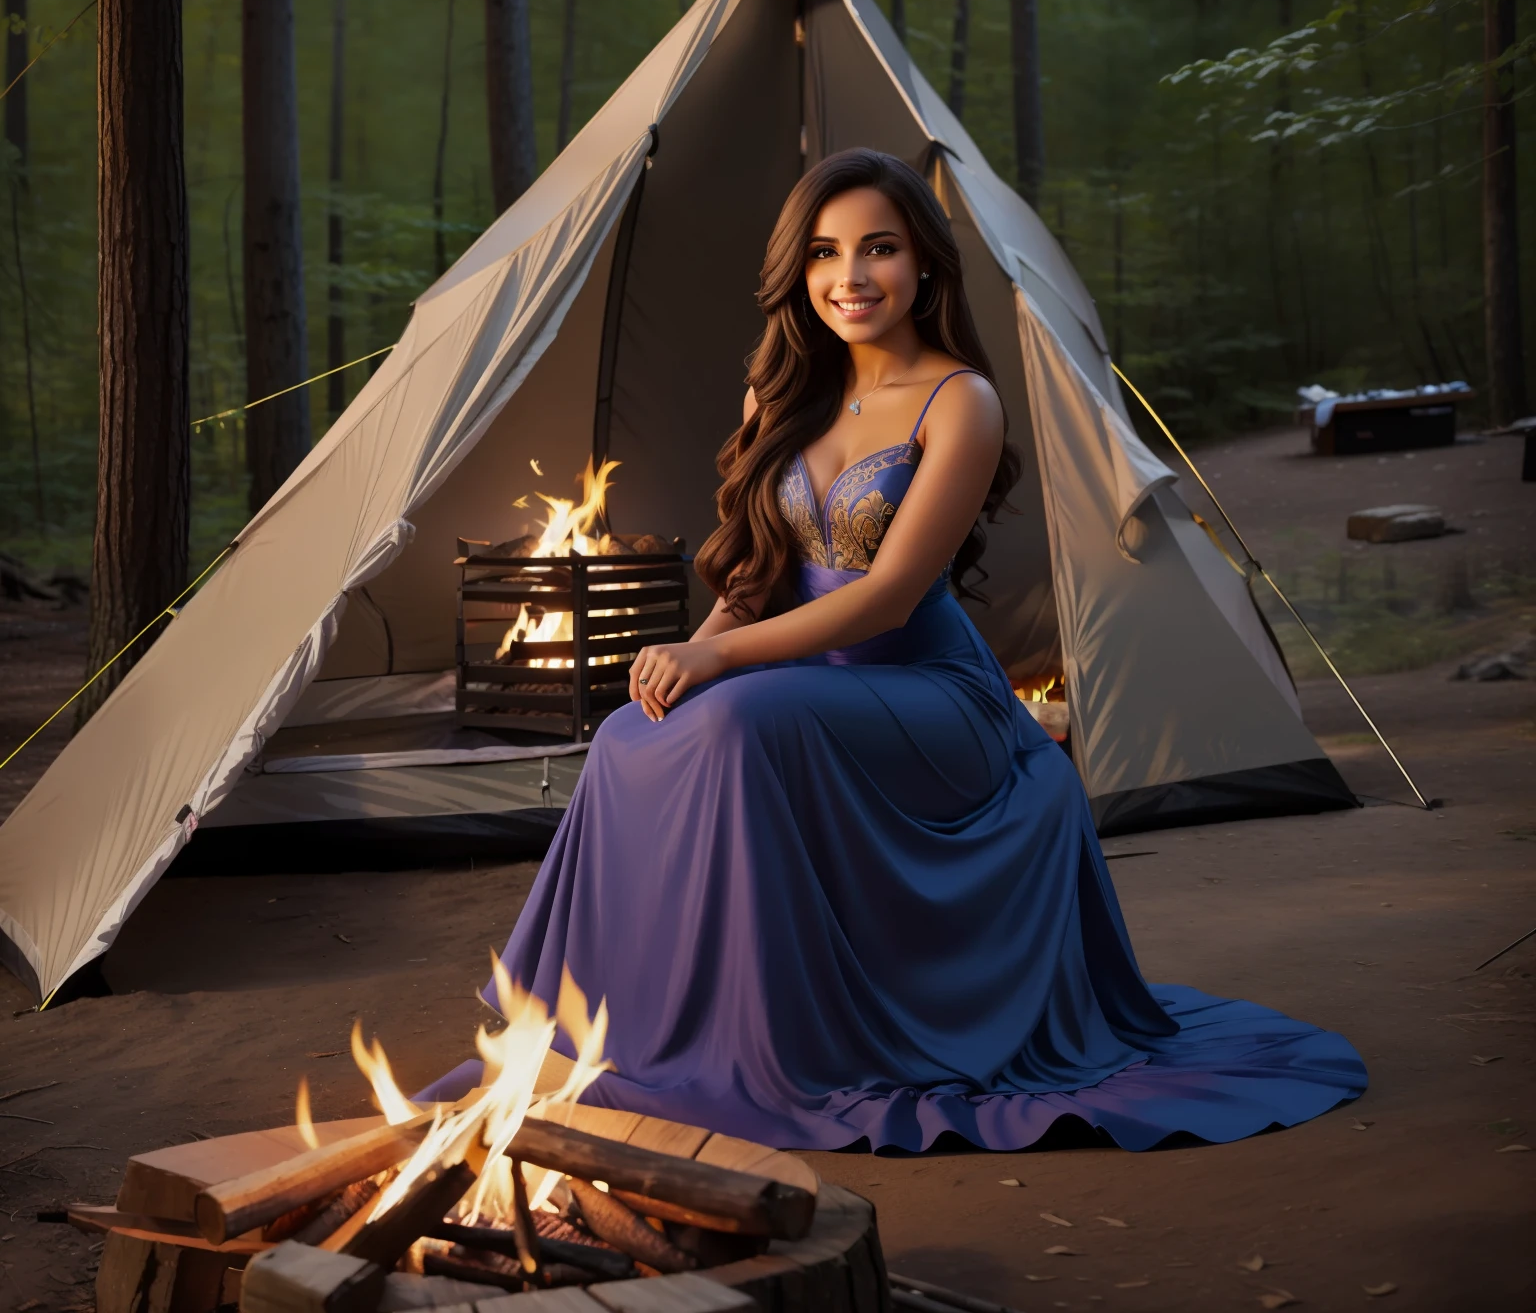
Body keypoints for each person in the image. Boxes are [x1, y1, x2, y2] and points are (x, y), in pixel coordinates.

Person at [422, 149, 1366, 1152]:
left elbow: (886, 598)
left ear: (924, 264)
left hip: (932, 697)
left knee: (740, 717)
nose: (851, 274)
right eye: (826, 252)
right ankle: (639, 1030)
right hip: (800, 680)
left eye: (880, 247)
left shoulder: (960, 400)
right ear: (799, 270)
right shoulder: (778, 395)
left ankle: (769, 1055)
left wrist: (720, 668)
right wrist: (683, 656)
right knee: (624, 737)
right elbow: (756, 576)